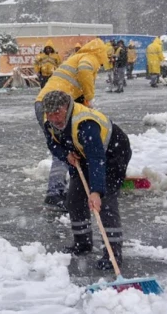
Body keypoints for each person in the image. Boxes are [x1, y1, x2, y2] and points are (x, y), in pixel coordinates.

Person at [39, 90, 131, 270]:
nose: (54, 118)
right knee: (74, 198)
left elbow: (97, 158)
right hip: (81, 156)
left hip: (112, 156)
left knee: (104, 203)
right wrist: (66, 154)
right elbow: (52, 143)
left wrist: (96, 191)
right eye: (49, 114)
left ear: (66, 107)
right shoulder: (49, 122)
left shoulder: (85, 123)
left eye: (57, 112)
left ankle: (113, 253)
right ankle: (83, 243)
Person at [34, 38, 109, 210]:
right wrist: (90, 98)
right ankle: (55, 193)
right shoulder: (90, 57)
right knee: (62, 147)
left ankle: (64, 189)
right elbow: (84, 71)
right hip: (53, 106)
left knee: (66, 147)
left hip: (48, 103)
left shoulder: (78, 57)